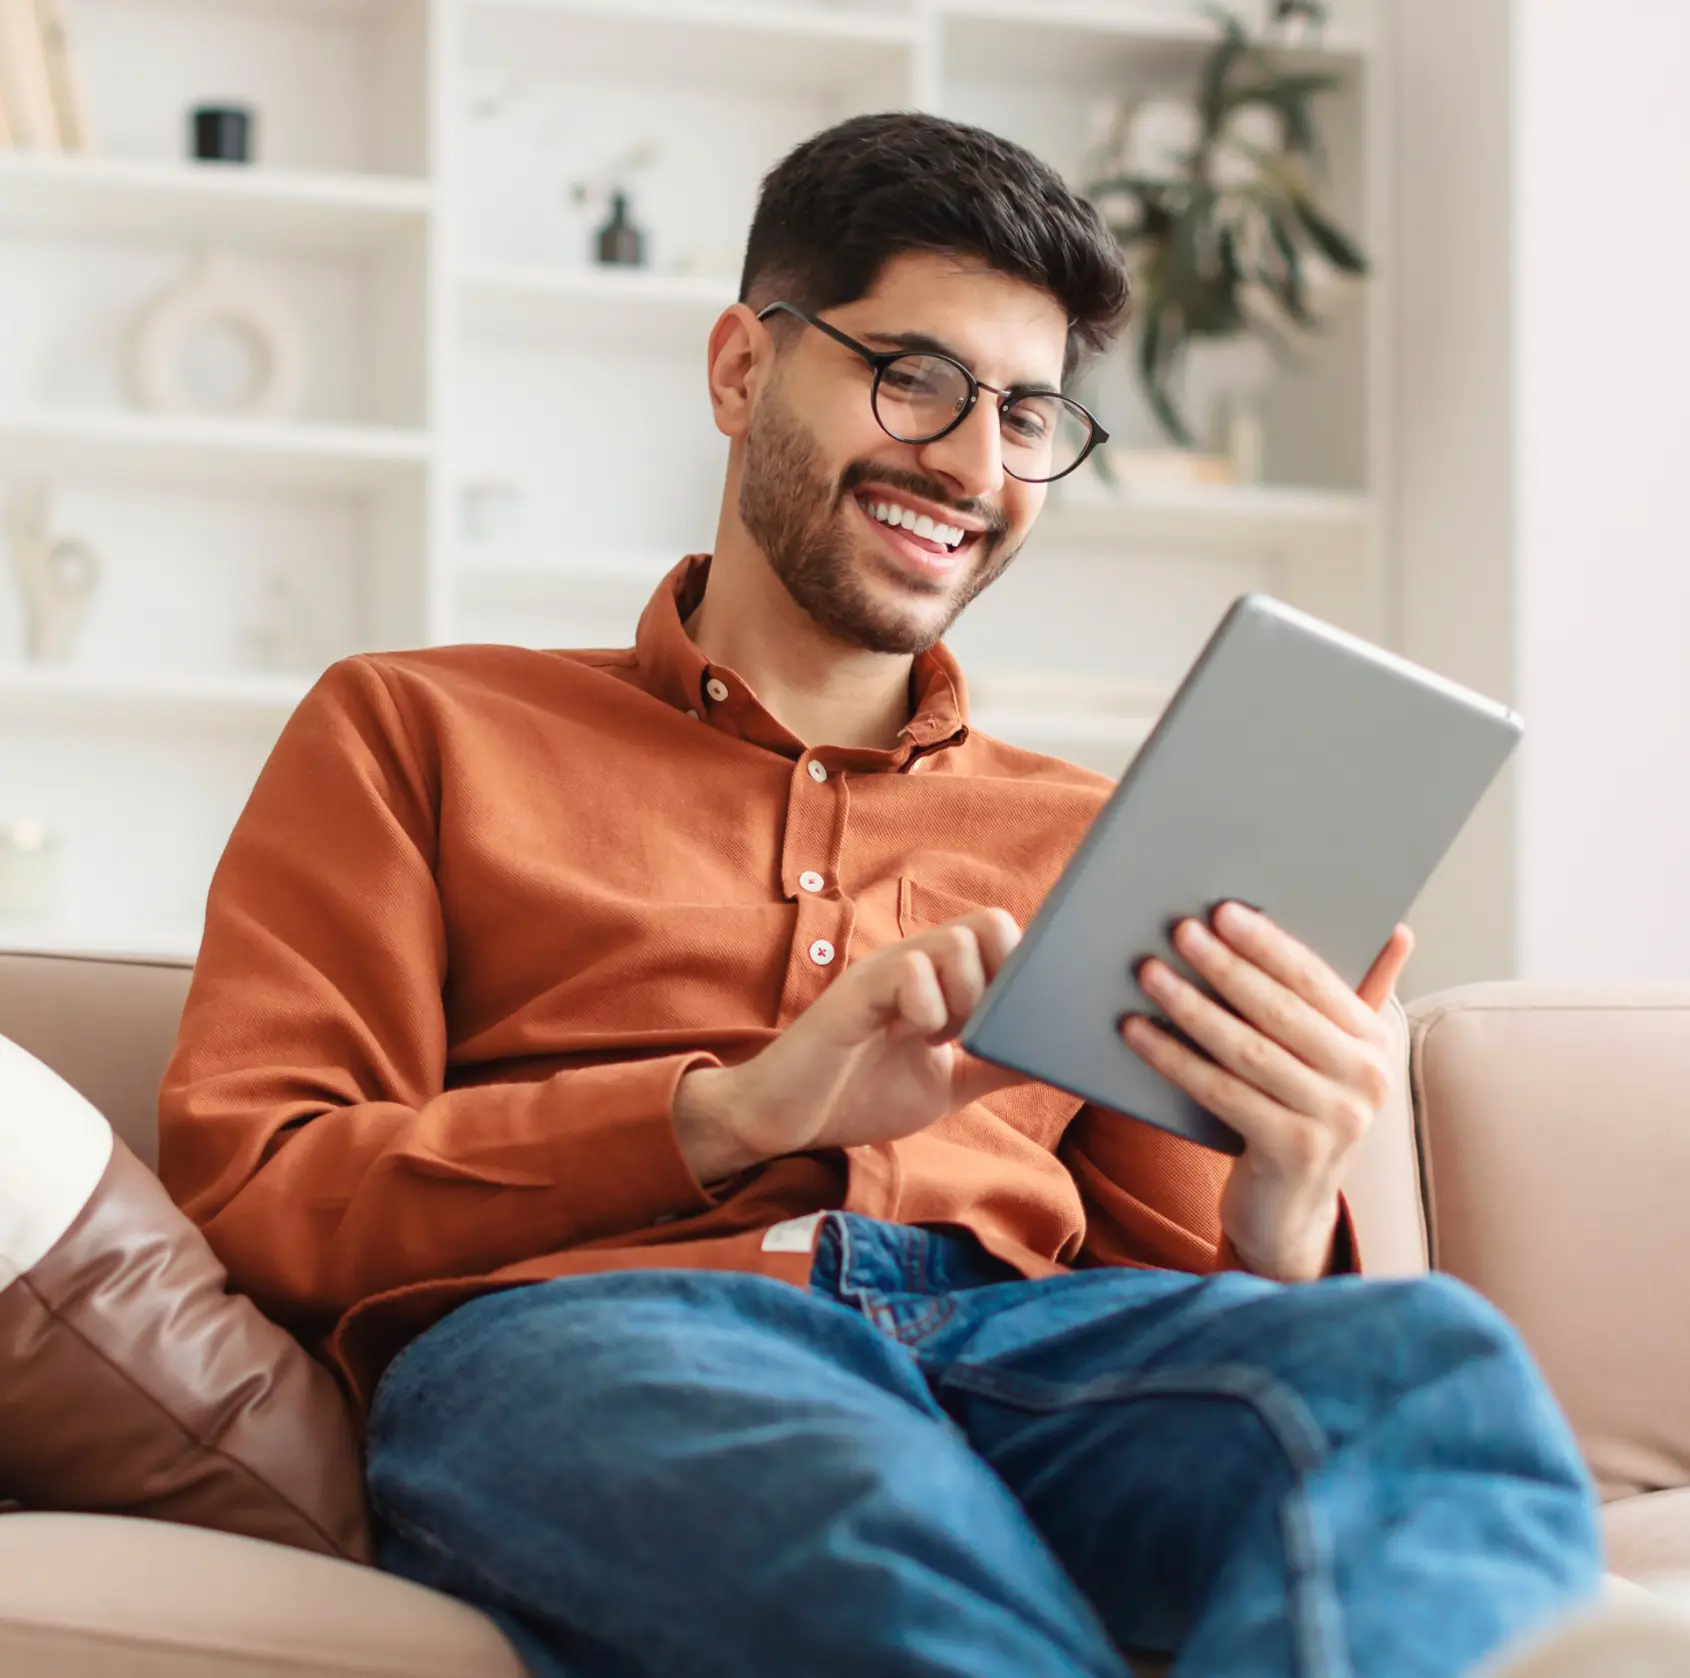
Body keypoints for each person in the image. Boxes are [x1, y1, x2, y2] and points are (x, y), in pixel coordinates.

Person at [158, 112, 1679, 1678]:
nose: (970, 464)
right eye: (915, 377)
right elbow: (259, 1191)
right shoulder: (415, 727)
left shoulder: (1101, 838)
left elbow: (1169, 1299)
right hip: (613, 1339)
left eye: (1028, 414)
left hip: (1022, 1349)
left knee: (1431, 1372)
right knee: (855, 1524)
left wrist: (1288, 1199)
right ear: (743, 370)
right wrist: (731, 1110)